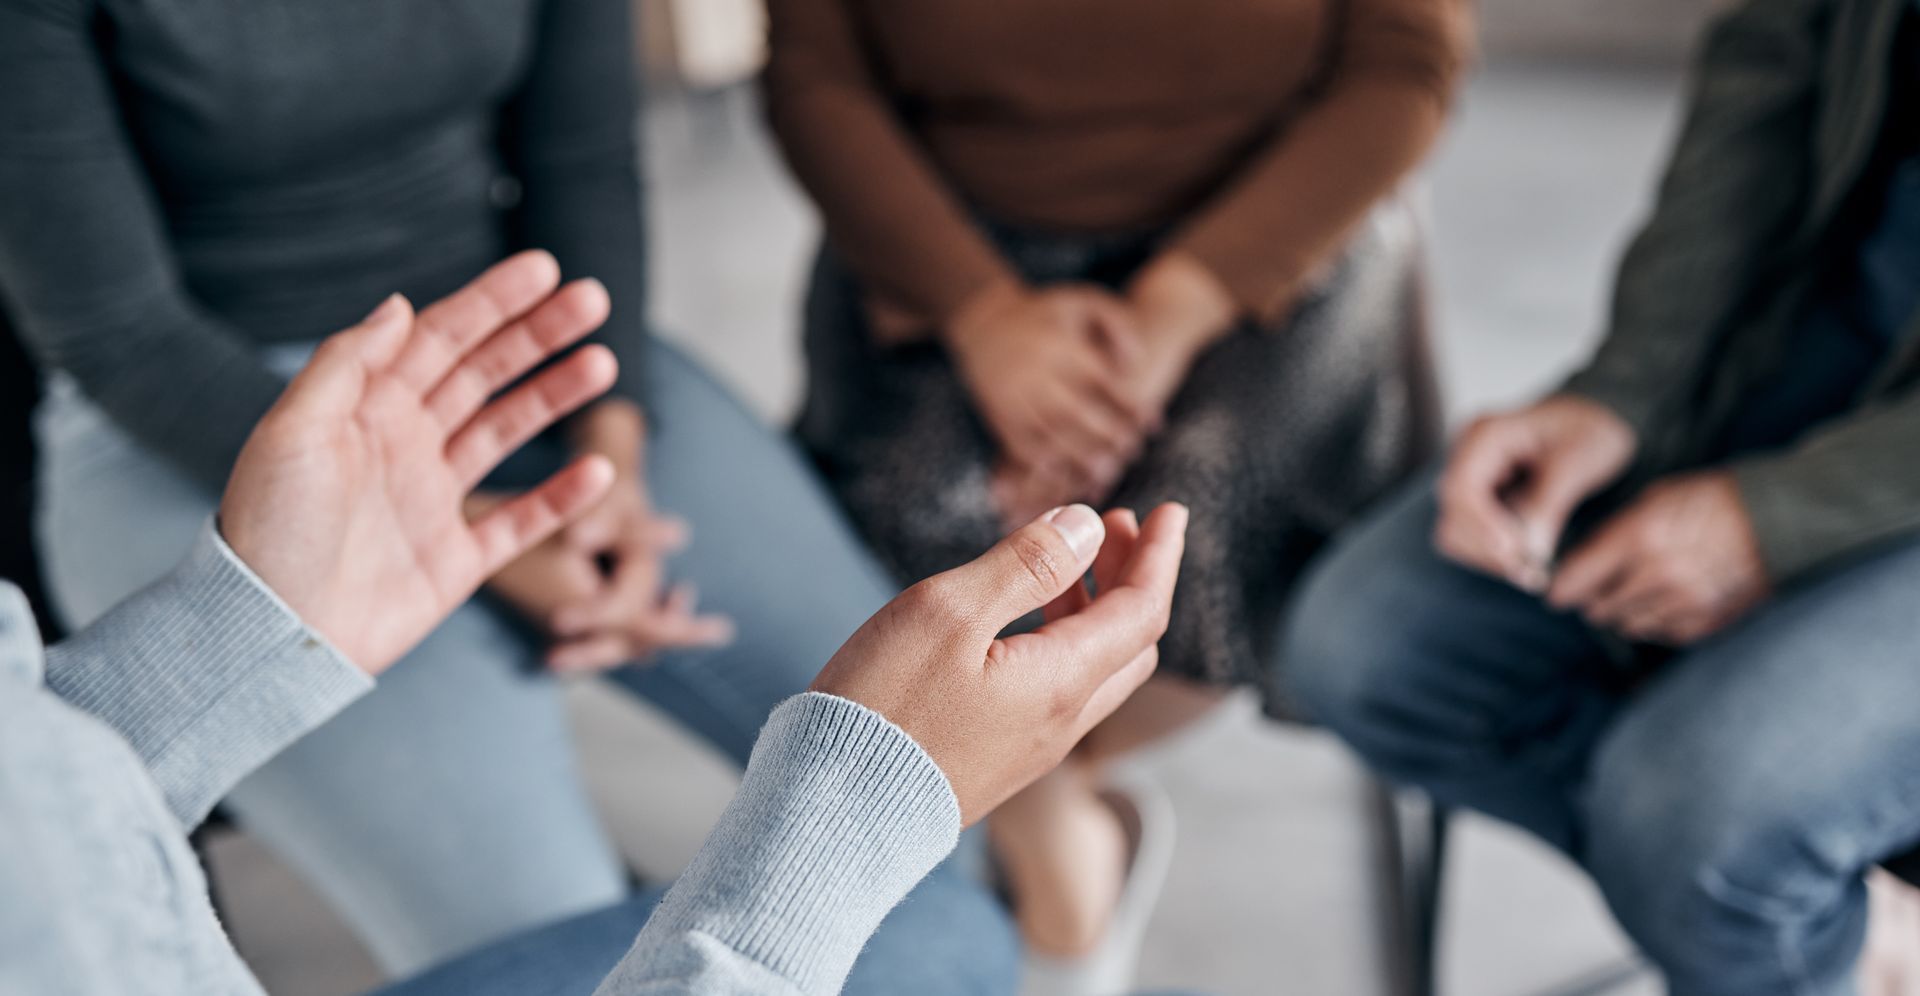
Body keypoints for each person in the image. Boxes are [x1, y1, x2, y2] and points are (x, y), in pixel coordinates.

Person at [0, 0, 961, 975]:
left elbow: (581, 162)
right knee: (559, 953)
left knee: (921, 761)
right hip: (191, 410)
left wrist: (608, 456)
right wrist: (490, 539)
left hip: (514, 344)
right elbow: (116, 333)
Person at [0, 254, 1190, 996]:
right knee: (938, 935)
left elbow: (35, 804)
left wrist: (241, 631)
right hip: (186, 435)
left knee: (943, 919)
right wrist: (848, 814)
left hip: (496, 414)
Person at [762, 0, 1472, 977]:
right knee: (921, 520)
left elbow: (1402, 69)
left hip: (1268, 232)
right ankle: (1063, 872)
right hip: (944, 242)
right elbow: (813, 79)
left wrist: (1176, 310)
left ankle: (1017, 816)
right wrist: (984, 316)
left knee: (1193, 528)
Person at [1282, 0, 1920, 992]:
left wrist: (1785, 518)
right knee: (1372, 645)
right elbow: (1765, 81)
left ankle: (1777, 925)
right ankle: (1826, 936)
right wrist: (1623, 394)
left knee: (1699, 820)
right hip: (1823, 344)